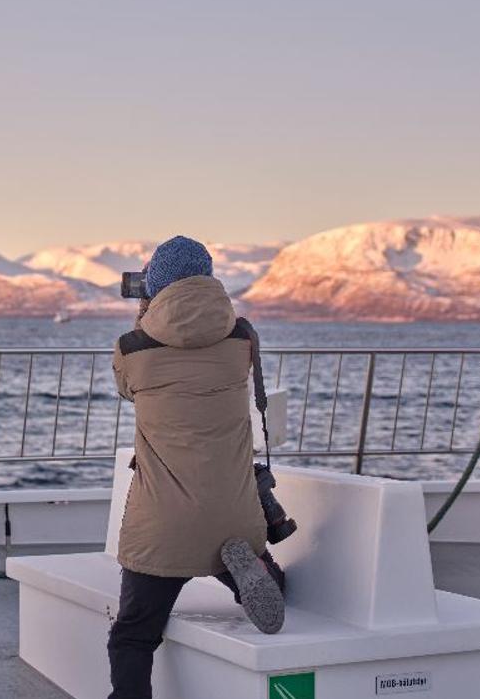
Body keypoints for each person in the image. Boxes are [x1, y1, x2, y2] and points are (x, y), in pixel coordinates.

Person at [107, 235, 286, 699]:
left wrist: (144, 320)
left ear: (154, 286)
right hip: (234, 516)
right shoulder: (243, 338)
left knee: (133, 634)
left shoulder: (134, 348)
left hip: (162, 526)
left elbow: (128, 390)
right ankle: (261, 576)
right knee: (246, 557)